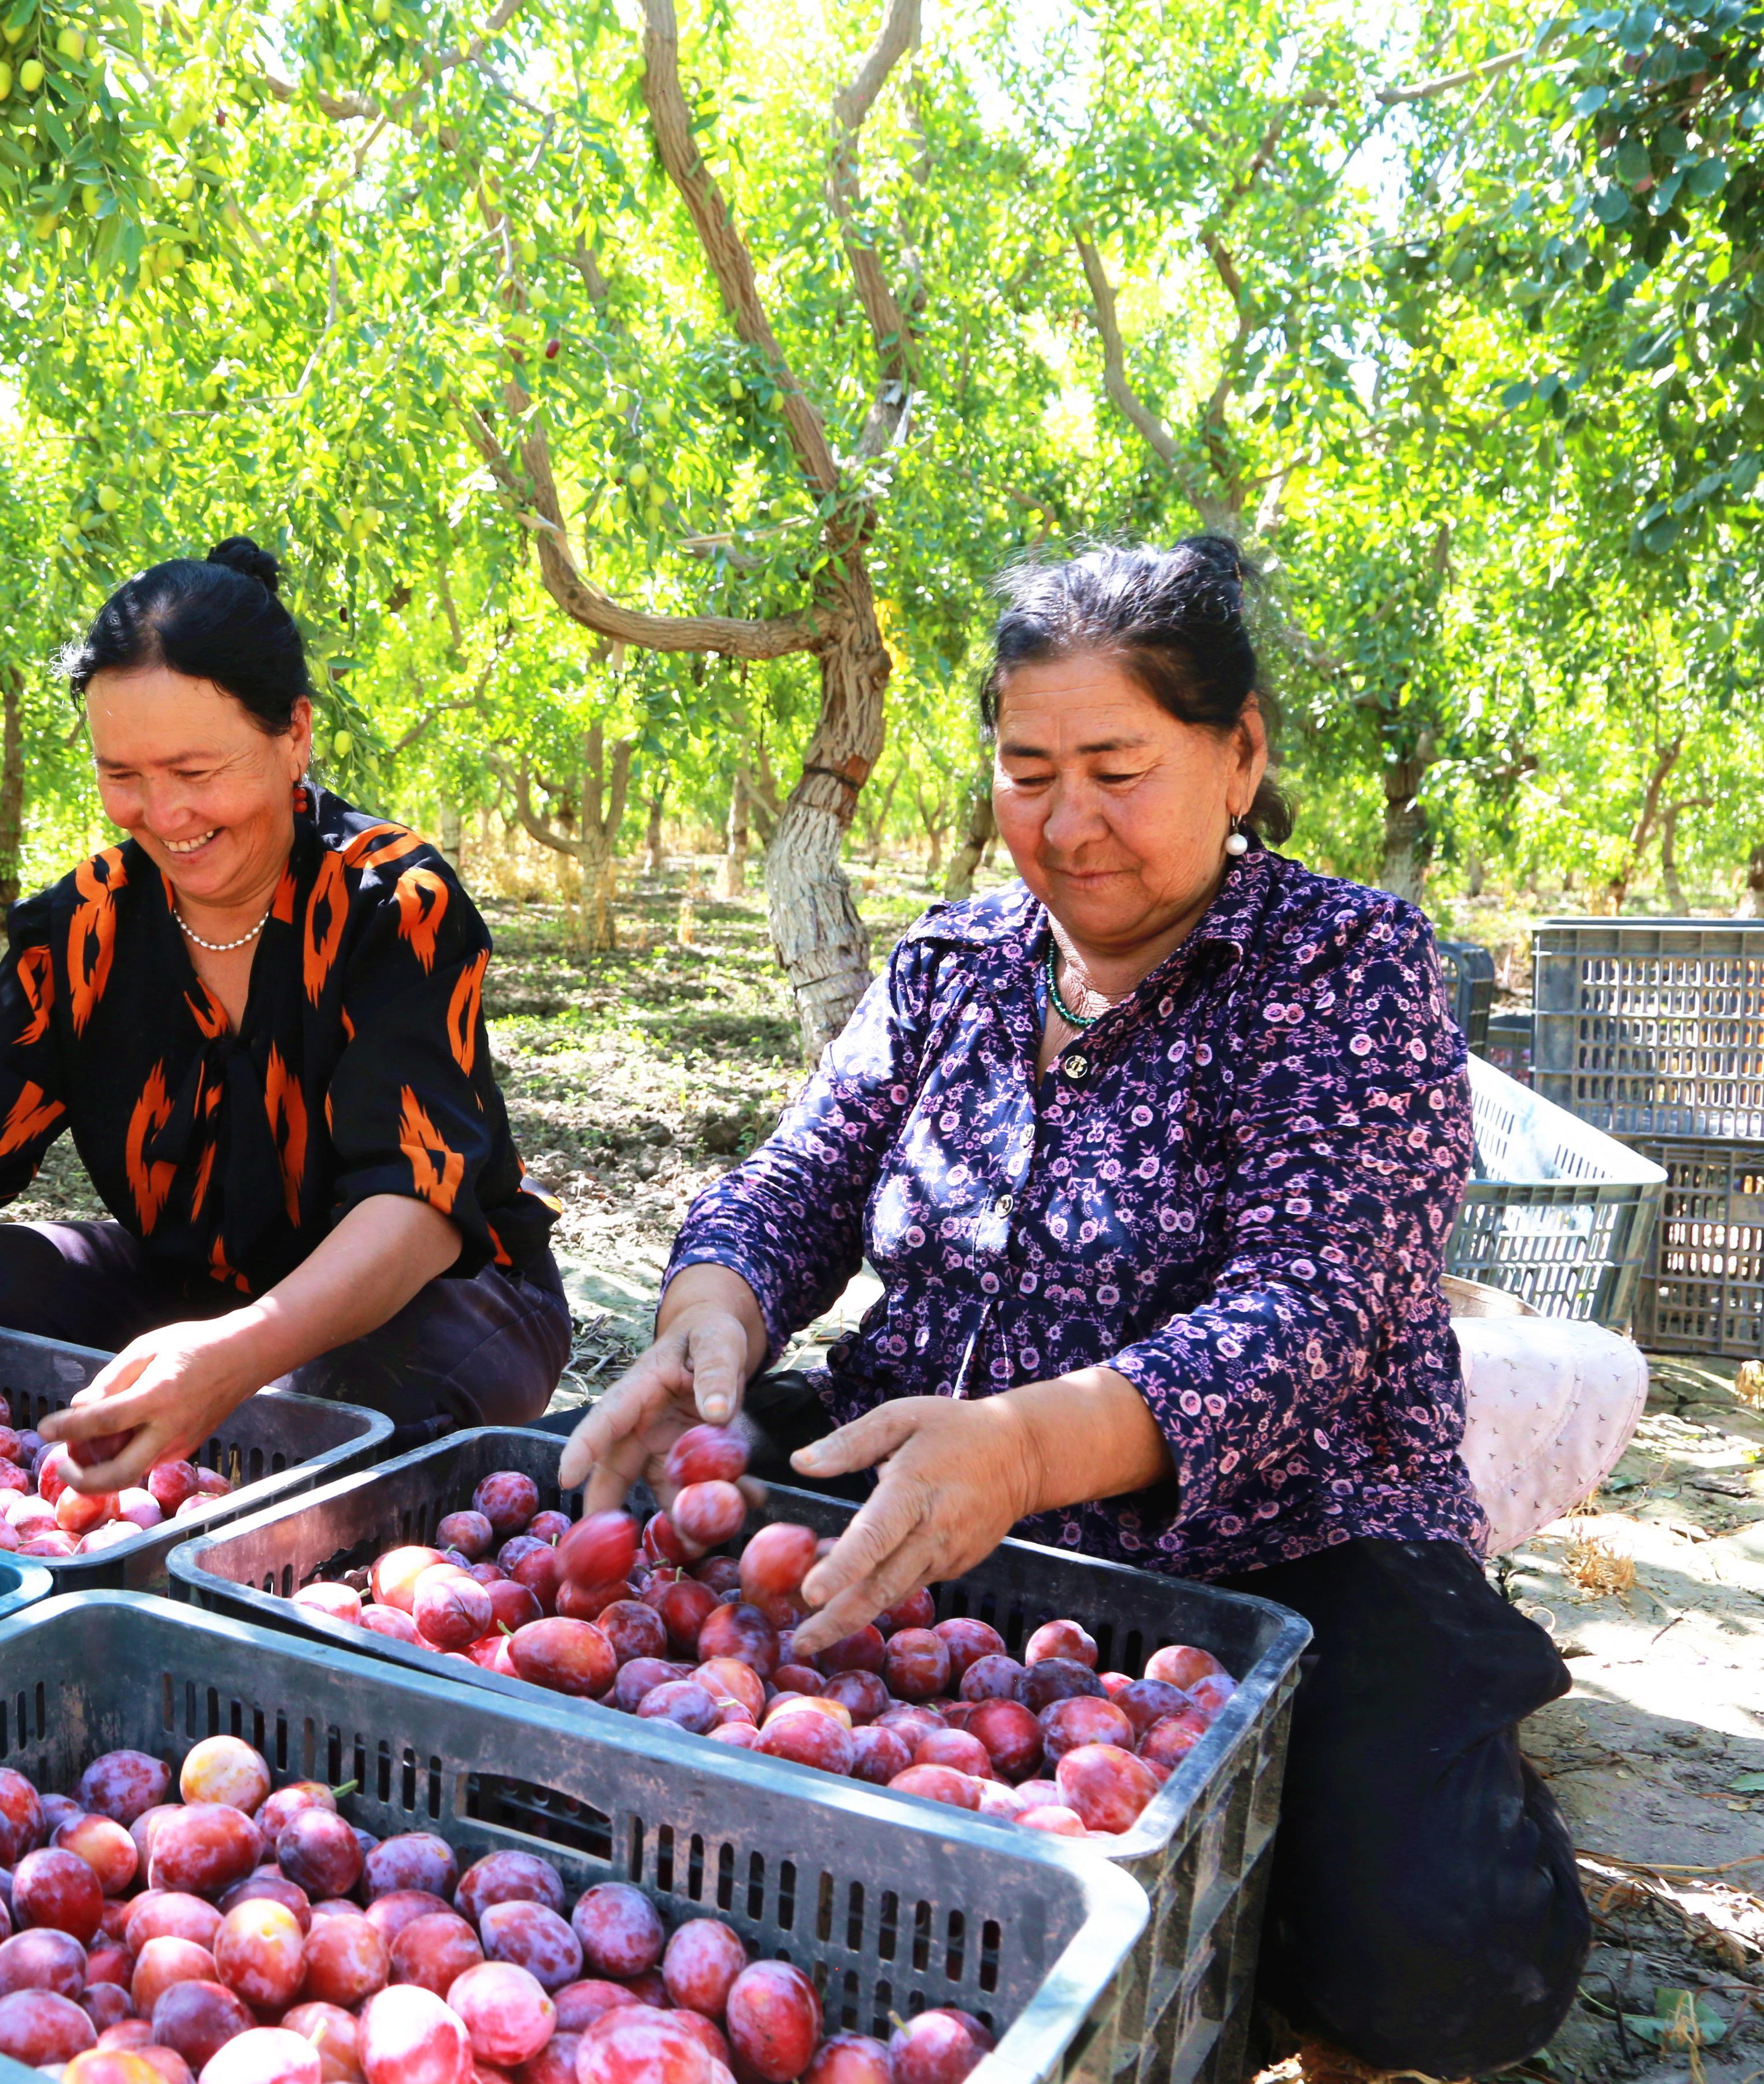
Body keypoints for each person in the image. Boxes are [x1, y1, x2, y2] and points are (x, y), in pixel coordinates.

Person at [560, 536, 1588, 2075]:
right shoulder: (953, 967)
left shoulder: (1343, 969)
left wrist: (1029, 1451)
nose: (1064, 822)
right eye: (1024, 769)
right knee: (588, 1544)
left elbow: (1309, 1311)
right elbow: (799, 1177)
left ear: (1237, 755)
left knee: (1435, 1946)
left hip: (1272, 1543)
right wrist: (711, 1305)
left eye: (1114, 768)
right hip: (906, 1482)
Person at [0, 537, 569, 1493]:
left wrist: (236, 1353)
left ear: (294, 734)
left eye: (194, 771)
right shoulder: (83, 931)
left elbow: (418, 1205)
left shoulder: (389, 905)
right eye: (123, 776)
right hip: (194, 1289)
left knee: (351, 1412)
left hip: (433, 1298)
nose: (162, 814)